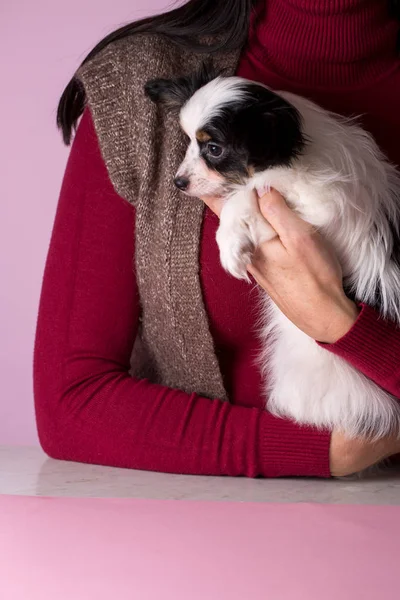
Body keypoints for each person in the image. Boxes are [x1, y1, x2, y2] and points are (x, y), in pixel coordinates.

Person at [33, 0, 400, 478]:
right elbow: (71, 403)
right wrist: (324, 452)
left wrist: (340, 325)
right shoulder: (134, 87)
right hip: (203, 522)